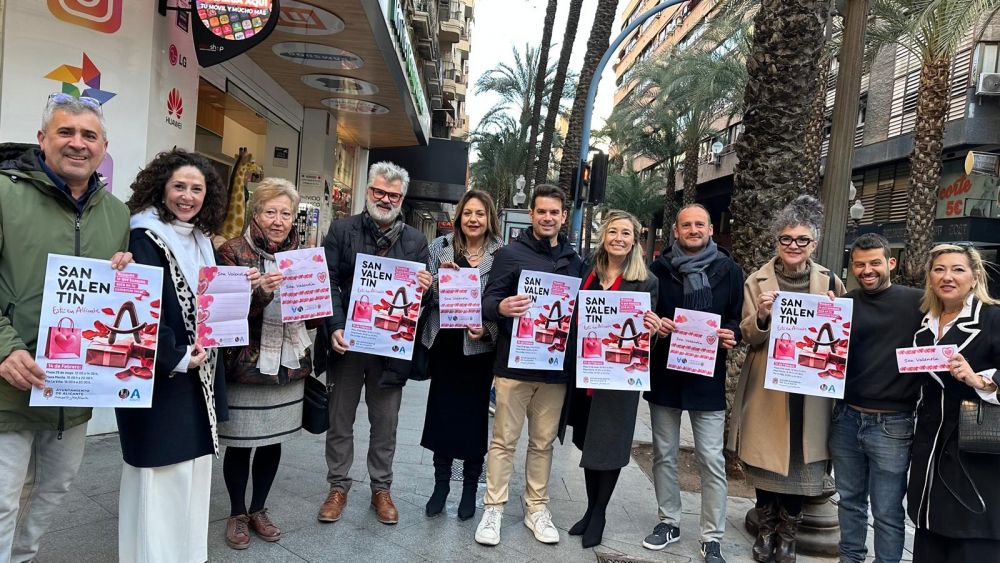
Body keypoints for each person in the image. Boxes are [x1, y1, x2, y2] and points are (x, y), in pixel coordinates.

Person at [0, 94, 130, 563]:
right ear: (42, 139)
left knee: (54, 490)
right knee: (1, 500)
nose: (78, 143)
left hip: (72, 388)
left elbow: (112, 299)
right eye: (66, 132)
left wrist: (125, 277)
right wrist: (4, 348)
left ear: (104, 146)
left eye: (88, 135)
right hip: (8, 383)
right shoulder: (4, 192)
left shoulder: (116, 213)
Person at [120, 148, 241, 563]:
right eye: (179, 187)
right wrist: (174, 356)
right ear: (161, 189)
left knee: (191, 477)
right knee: (160, 479)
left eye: (197, 189)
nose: (187, 197)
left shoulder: (201, 240)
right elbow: (141, 308)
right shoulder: (144, 236)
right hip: (162, 377)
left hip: (198, 376)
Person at [728, 195, 846, 563]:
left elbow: (842, 335)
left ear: (813, 243)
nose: (794, 246)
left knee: (801, 464)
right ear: (776, 241)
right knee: (767, 462)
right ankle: (765, 531)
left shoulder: (830, 280)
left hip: (810, 391)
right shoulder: (757, 281)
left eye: (802, 240)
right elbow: (748, 335)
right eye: (786, 239)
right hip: (769, 388)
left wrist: (832, 311)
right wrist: (762, 316)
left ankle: (788, 538)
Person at [316, 161, 431, 526]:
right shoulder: (341, 229)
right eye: (378, 192)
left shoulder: (415, 240)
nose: (385, 199)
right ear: (367, 191)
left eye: (392, 195)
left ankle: (381, 488)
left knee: (386, 424)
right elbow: (327, 281)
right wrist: (334, 325)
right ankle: (338, 486)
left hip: (389, 351)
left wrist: (426, 289)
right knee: (340, 421)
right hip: (347, 345)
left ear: (402, 199)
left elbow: (421, 301)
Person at [474, 184, 585, 547]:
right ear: (532, 214)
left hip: (555, 371)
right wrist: (501, 308)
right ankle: (493, 508)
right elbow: (489, 300)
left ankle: (536, 508)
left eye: (554, 212)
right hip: (514, 367)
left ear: (563, 216)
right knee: (503, 441)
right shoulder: (510, 254)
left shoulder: (576, 261)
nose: (548, 217)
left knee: (543, 444)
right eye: (542, 211)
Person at [217, 178, 317, 549]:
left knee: (273, 440)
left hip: (289, 365)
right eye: (270, 211)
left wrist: (317, 301)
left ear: (294, 219)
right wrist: (261, 293)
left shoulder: (305, 256)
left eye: (285, 213)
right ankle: (237, 512)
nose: (278, 220)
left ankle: (259, 508)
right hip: (246, 363)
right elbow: (222, 312)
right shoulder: (231, 251)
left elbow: (315, 315)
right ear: (255, 213)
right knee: (242, 442)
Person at [641, 204, 744, 563]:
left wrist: (733, 333)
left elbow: (736, 318)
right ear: (676, 231)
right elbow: (644, 312)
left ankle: (712, 536)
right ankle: (668, 521)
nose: (693, 229)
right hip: (665, 376)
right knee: (665, 455)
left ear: (711, 229)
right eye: (687, 225)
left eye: (700, 223)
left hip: (707, 376)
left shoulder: (728, 270)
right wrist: (657, 323)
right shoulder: (657, 269)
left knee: (711, 459)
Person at [568, 210, 663, 548]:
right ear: (603, 237)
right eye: (613, 232)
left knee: (608, 446)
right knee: (587, 443)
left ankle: (599, 514)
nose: (619, 238)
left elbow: (645, 337)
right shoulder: (587, 272)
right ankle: (590, 508)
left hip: (619, 380)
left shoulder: (645, 281)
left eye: (626, 233)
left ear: (634, 241)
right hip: (585, 374)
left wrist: (652, 330)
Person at [829, 233, 923, 563]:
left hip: (893, 424)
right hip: (846, 417)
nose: (867, 270)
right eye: (859, 264)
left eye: (874, 263)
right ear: (852, 267)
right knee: (850, 501)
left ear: (890, 263)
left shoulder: (920, 302)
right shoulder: (845, 304)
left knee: (886, 511)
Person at [909, 243, 1000, 562]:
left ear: (975, 278)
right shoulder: (923, 325)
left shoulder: (992, 318)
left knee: (970, 547)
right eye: (939, 269)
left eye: (958, 269)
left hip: (977, 458)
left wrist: (982, 380)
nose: (947, 276)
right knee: (929, 543)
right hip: (930, 458)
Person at [420, 190, 503, 521]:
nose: (473, 219)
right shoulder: (439, 248)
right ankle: (440, 486)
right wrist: (443, 281)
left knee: (472, 420)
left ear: (489, 218)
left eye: (480, 214)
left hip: (478, 348)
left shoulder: (501, 255)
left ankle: (470, 488)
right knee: (442, 415)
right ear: (458, 217)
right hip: (444, 344)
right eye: (467, 212)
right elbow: (424, 294)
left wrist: (488, 331)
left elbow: (502, 304)